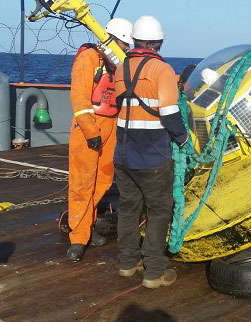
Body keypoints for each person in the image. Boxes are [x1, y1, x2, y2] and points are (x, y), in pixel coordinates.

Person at [112, 15, 188, 289]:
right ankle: (154, 271)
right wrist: (182, 138)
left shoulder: (122, 68)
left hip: (122, 154)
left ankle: (127, 263)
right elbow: (168, 113)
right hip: (152, 154)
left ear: (135, 41)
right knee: (159, 211)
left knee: (129, 208)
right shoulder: (161, 69)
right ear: (158, 42)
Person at [66, 17, 133, 262]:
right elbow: (80, 99)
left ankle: (88, 227)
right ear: (114, 41)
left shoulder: (117, 64)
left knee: (102, 182)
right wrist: (90, 132)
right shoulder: (89, 59)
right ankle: (78, 238)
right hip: (89, 127)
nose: (126, 50)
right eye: (125, 45)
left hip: (112, 125)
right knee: (82, 184)